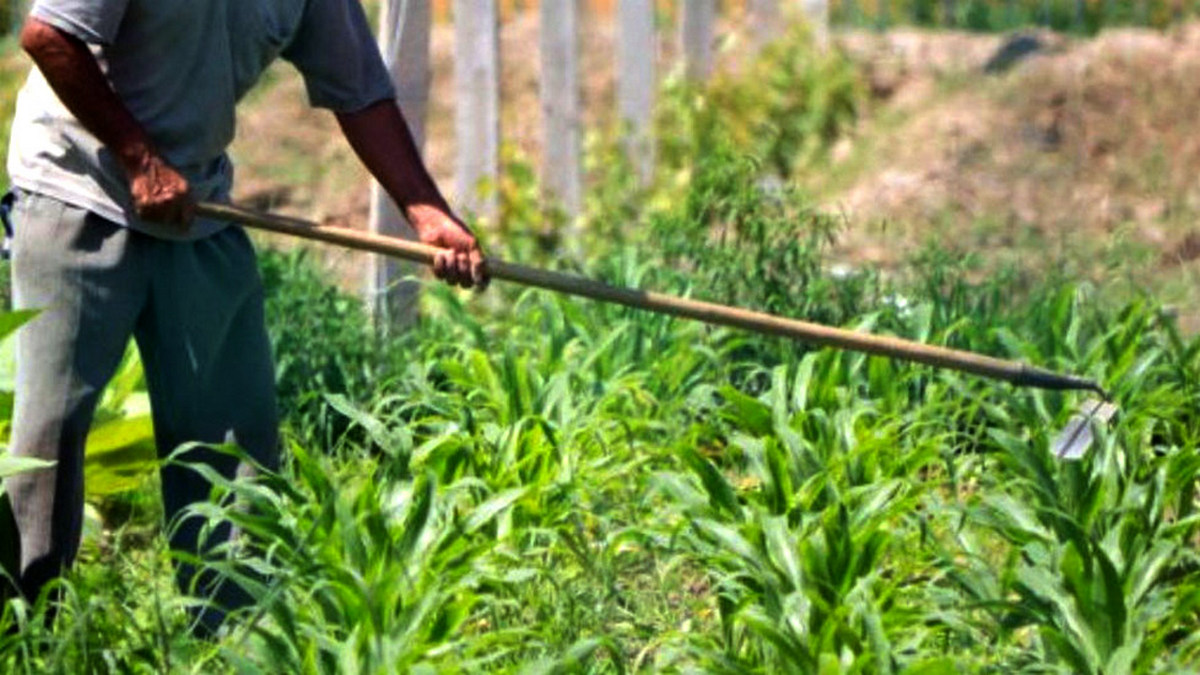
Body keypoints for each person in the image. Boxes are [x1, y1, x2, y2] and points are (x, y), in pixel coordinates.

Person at [1, 0, 487, 634]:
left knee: (234, 434)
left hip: (196, 205)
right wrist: (140, 158)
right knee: (51, 433)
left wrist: (426, 211)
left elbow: (361, 91)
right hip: (76, 189)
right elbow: (50, 35)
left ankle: (235, 638)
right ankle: (27, 633)